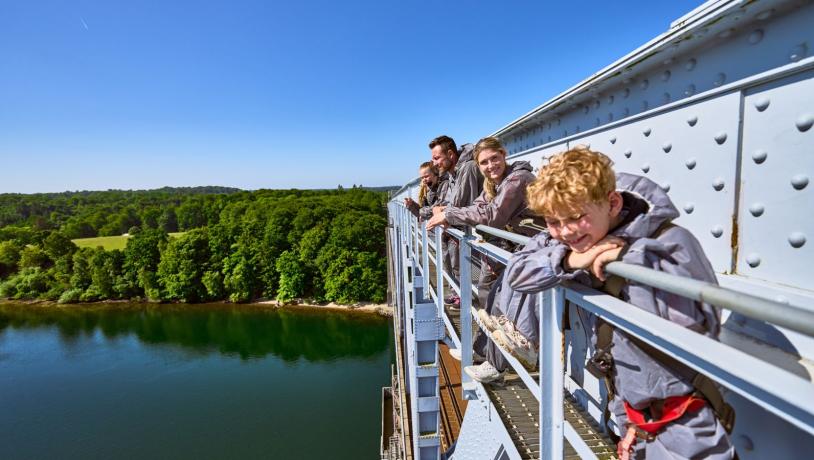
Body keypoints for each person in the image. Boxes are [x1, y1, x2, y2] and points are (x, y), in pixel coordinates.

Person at [501, 146, 734, 459]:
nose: (565, 231)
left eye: (576, 217)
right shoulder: (570, 239)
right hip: (629, 412)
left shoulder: (670, 243)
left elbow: (689, 328)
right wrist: (572, 260)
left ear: (612, 203)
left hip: (685, 421)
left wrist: (627, 259)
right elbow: (518, 273)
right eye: (553, 222)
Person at [425, 137, 543, 370]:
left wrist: (449, 214)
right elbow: (479, 206)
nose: (490, 166)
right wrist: (450, 211)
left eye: (494, 159)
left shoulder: (519, 179)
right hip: (511, 248)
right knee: (487, 295)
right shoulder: (493, 183)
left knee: (498, 301)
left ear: (503, 154)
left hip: (532, 250)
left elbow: (493, 216)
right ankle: (482, 351)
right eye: (484, 163)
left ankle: (496, 364)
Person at [428, 135, 483, 307]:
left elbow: (459, 205)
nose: (434, 164)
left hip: (477, 232)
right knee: (452, 264)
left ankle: (465, 300)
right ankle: (458, 294)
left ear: (451, 155)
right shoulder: (453, 173)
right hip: (461, 229)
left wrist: (442, 211)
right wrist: (441, 210)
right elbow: (449, 206)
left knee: (463, 267)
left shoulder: (467, 168)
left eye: (437, 158)